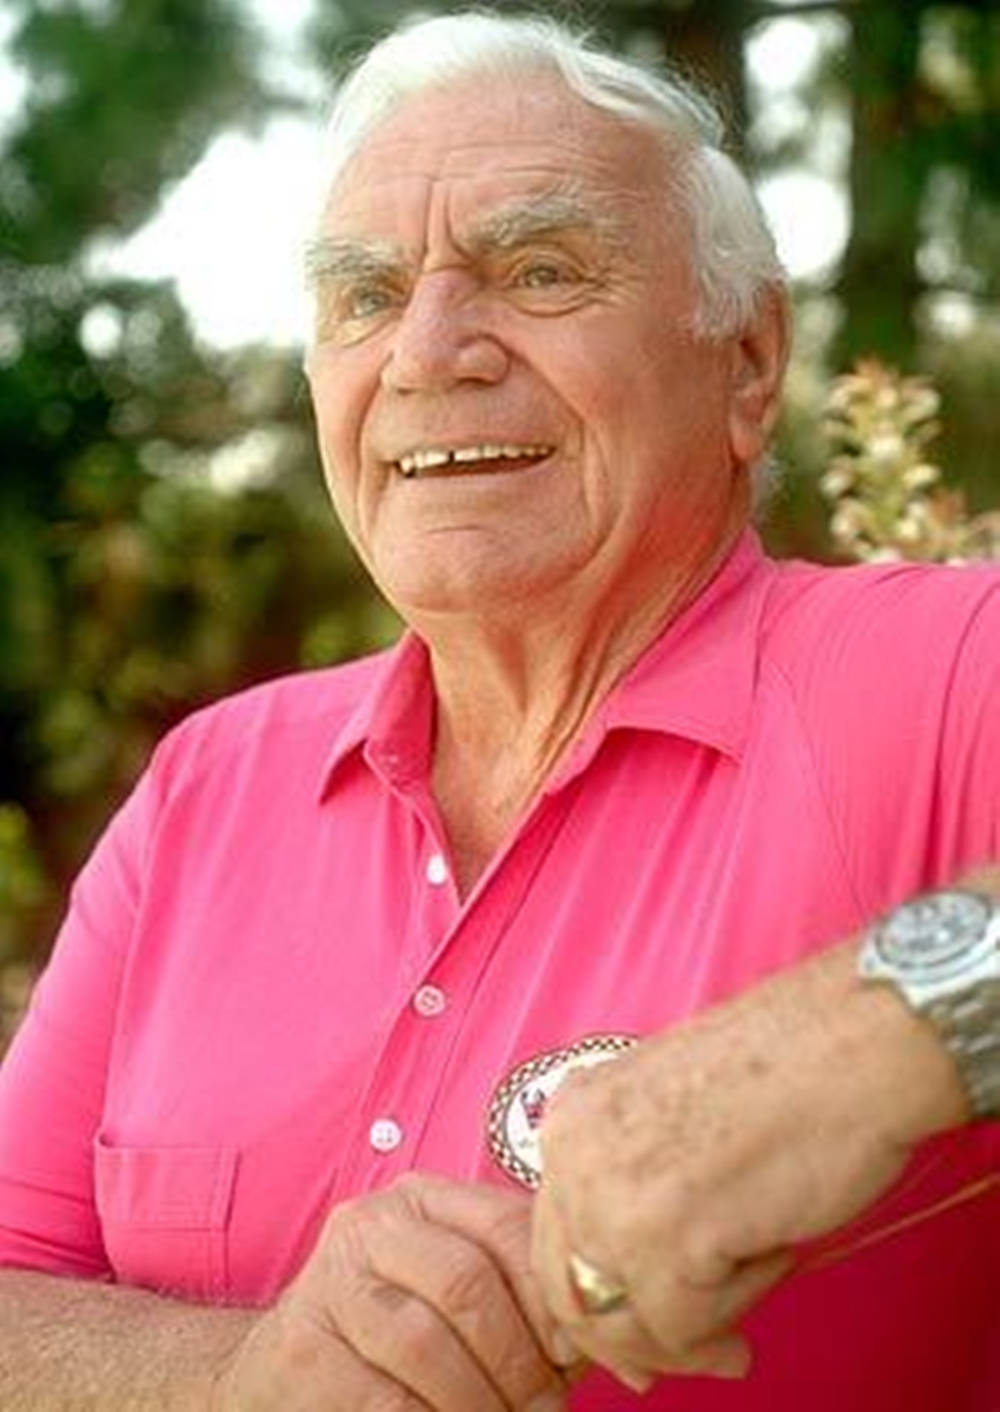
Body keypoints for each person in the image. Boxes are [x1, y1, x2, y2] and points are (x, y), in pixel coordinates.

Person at [0, 11, 998, 1410]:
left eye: (538, 271)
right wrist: (232, 1374)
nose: (428, 351)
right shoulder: (206, 786)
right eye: (364, 295)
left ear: (750, 364)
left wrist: (890, 1026)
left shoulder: (937, 675)